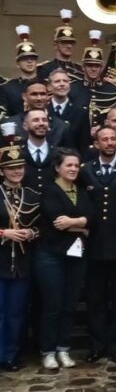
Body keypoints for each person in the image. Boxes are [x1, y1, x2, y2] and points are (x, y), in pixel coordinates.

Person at [80, 126, 116, 364]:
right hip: (93, 244)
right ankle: (97, 345)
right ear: (96, 144)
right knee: (95, 299)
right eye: (104, 139)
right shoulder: (86, 170)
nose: (109, 143)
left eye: (114, 139)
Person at [35, 148, 93, 369]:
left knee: (70, 305)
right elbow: (56, 221)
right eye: (68, 165)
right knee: (53, 305)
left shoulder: (82, 190)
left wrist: (75, 222)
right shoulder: (49, 191)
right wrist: (82, 224)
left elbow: (93, 218)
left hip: (76, 256)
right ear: (58, 167)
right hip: (51, 256)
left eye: (76, 166)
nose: (73, 169)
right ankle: (48, 351)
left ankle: (64, 348)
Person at [0, 133, 40, 372]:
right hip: (0, 262)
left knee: (16, 314)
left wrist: (31, 233)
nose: (16, 171)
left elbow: (42, 226)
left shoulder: (32, 195)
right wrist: (4, 233)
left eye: (19, 167)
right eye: (10, 168)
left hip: (22, 264)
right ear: (2, 170)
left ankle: (11, 356)